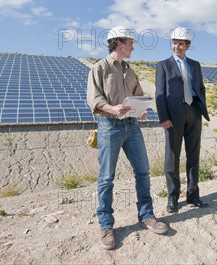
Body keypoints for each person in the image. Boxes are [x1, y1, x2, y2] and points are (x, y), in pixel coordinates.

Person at [86, 26, 168, 250]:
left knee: (143, 171)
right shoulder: (99, 68)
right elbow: (94, 100)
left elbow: (139, 96)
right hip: (109, 126)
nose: (133, 46)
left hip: (132, 127)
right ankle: (106, 225)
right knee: (106, 177)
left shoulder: (130, 72)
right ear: (119, 43)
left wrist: (141, 109)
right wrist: (112, 109)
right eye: (130, 42)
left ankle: (147, 215)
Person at [155, 27, 210, 213]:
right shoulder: (163, 65)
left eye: (181, 43)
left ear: (188, 45)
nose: (177, 46)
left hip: (194, 112)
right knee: (172, 157)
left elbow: (201, 88)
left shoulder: (195, 65)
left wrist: (200, 106)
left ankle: (193, 195)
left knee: (193, 156)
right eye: (174, 43)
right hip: (173, 116)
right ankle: (173, 197)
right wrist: (163, 117)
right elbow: (160, 94)